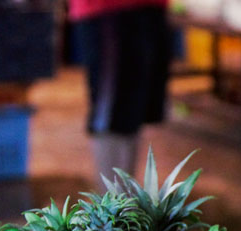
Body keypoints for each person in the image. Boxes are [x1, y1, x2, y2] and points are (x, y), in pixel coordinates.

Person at [67, 0, 171, 187]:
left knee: (135, 110)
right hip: (109, 10)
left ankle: (126, 199)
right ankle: (111, 206)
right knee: (111, 115)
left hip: (149, 10)